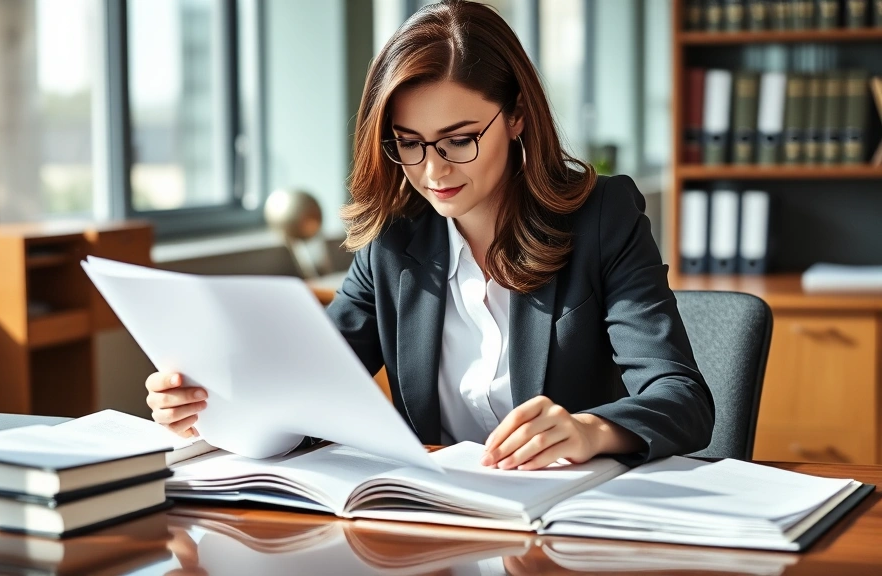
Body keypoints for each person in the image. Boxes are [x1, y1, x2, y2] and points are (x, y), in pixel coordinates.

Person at [145, 0, 714, 470]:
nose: (434, 171)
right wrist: (208, 404)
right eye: (409, 142)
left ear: (516, 117)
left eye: (459, 138)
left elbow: (682, 399)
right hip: (439, 524)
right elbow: (303, 388)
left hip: (568, 527)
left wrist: (590, 430)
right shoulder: (393, 242)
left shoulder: (601, 218)